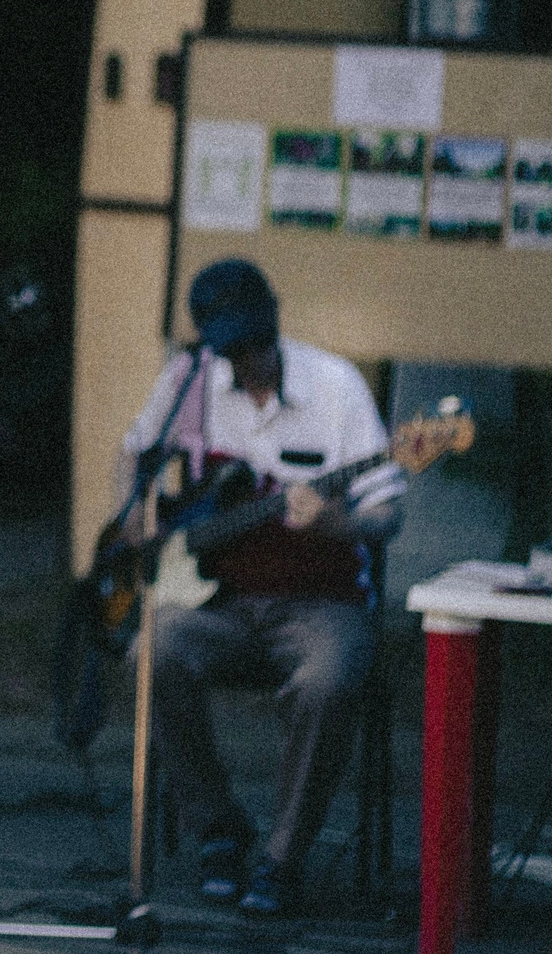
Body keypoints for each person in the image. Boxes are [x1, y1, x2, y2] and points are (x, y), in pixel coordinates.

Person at [116, 258, 405, 917]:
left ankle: (283, 856)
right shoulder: (190, 381)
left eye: (254, 346)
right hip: (219, 601)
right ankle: (216, 827)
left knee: (327, 682)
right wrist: (135, 509)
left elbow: (388, 515)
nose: (245, 363)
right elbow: (138, 449)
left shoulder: (336, 386)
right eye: (232, 350)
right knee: (149, 655)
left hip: (322, 604)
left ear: (272, 327)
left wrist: (335, 521)